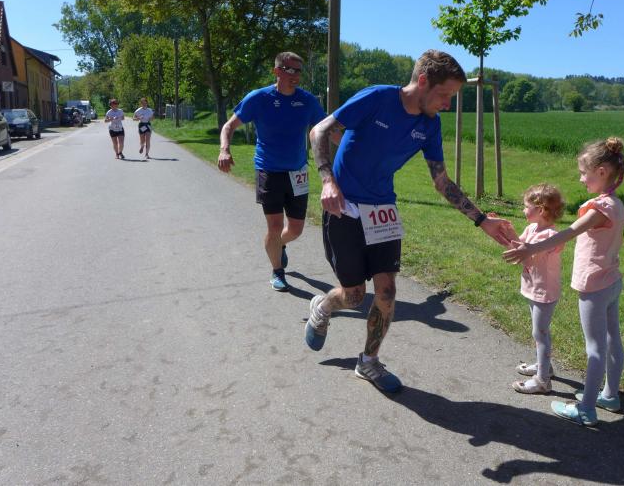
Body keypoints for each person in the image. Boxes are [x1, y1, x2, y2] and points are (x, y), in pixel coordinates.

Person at [306, 49, 512, 393]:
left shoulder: (429, 125)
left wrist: (481, 220)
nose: (447, 104)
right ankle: (325, 305)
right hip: (344, 208)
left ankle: (368, 361)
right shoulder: (378, 98)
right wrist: (328, 180)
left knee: (386, 291)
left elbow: (441, 181)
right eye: (445, 94)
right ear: (423, 81)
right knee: (354, 297)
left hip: (382, 211)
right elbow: (319, 131)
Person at [503, 137, 624, 426]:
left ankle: (586, 409)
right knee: (613, 339)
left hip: (594, 286)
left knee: (595, 348)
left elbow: (568, 233)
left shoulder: (599, 209)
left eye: (584, 173)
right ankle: (610, 395)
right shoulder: (616, 204)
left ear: (601, 172)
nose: (581, 178)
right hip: (611, 280)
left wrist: (531, 249)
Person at [217, 52, 325, 291]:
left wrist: (357, 147)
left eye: (299, 71)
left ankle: (279, 245)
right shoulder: (259, 98)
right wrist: (224, 150)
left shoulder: (307, 101)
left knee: (295, 229)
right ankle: (277, 270)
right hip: (268, 170)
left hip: (297, 172)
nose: (295, 75)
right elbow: (229, 126)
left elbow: (328, 130)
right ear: (277, 71)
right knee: (275, 226)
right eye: (290, 70)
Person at [504, 184, 566, 395]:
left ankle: (542, 381)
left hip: (544, 292)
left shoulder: (551, 236)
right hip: (533, 288)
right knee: (538, 331)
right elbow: (519, 246)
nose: (523, 210)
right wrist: (508, 231)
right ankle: (544, 367)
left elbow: (527, 257)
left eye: (526, 206)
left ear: (540, 210)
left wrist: (513, 242)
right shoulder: (532, 229)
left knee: (540, 333)